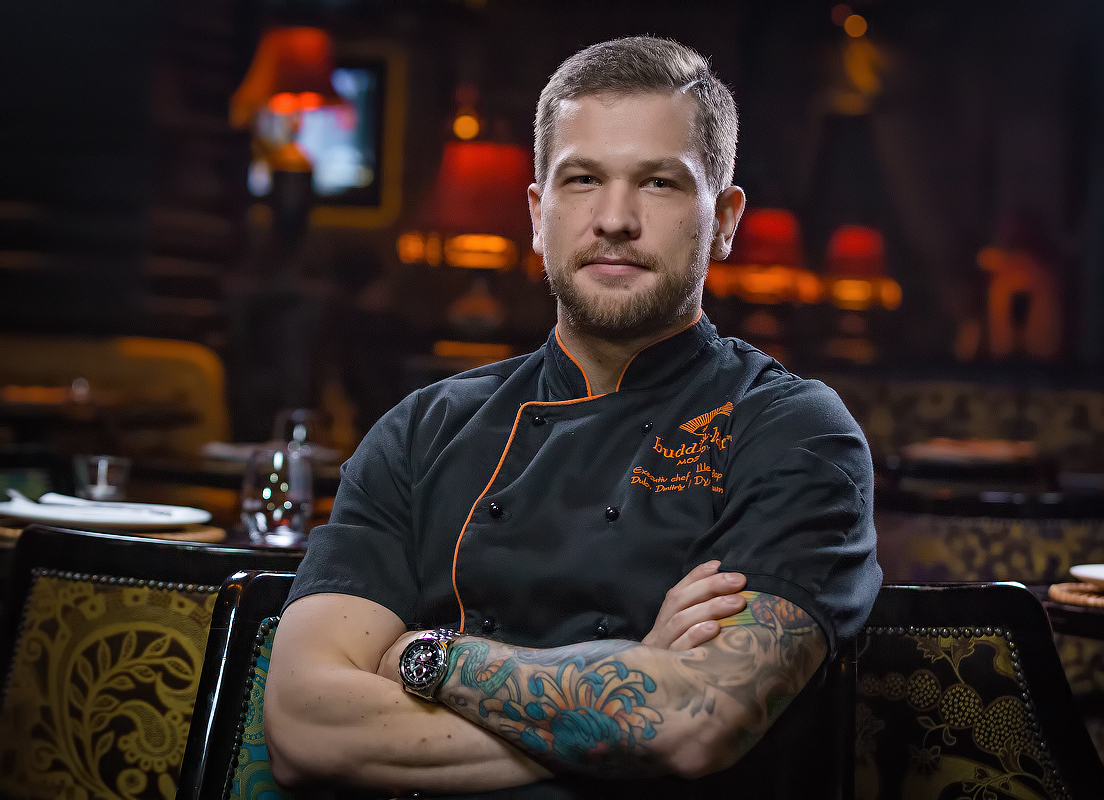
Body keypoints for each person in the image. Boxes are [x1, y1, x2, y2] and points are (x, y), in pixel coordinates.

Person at [264, 36, 881, 798]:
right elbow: (301, 721)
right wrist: (629, 693)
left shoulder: (793, 434)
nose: (614, 218)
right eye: (583, 179)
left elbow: (694, 722)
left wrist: (428, 658)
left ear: (724, 220)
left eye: (659, 183)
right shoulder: (423, 432)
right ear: (537, 213)